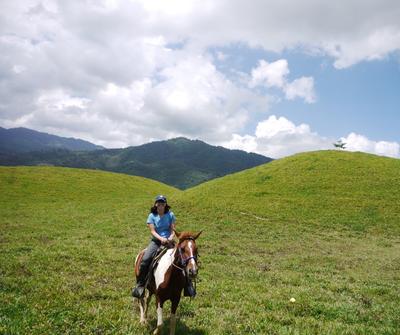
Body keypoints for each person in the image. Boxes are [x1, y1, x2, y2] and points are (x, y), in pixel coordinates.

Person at [133, 194, 197, 299]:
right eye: (159, 203)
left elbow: (173, 230)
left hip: (170, 242)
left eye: (162, 203)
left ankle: (188, 285)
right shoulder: (151, 216)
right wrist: (161, 239)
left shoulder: (170, 215)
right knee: (145, 259)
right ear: (156, 204)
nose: (160, 205)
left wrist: (171, 237)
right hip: (156, 242)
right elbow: (152, 231)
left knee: (183, 259)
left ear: (165, 204)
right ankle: (140, 285)